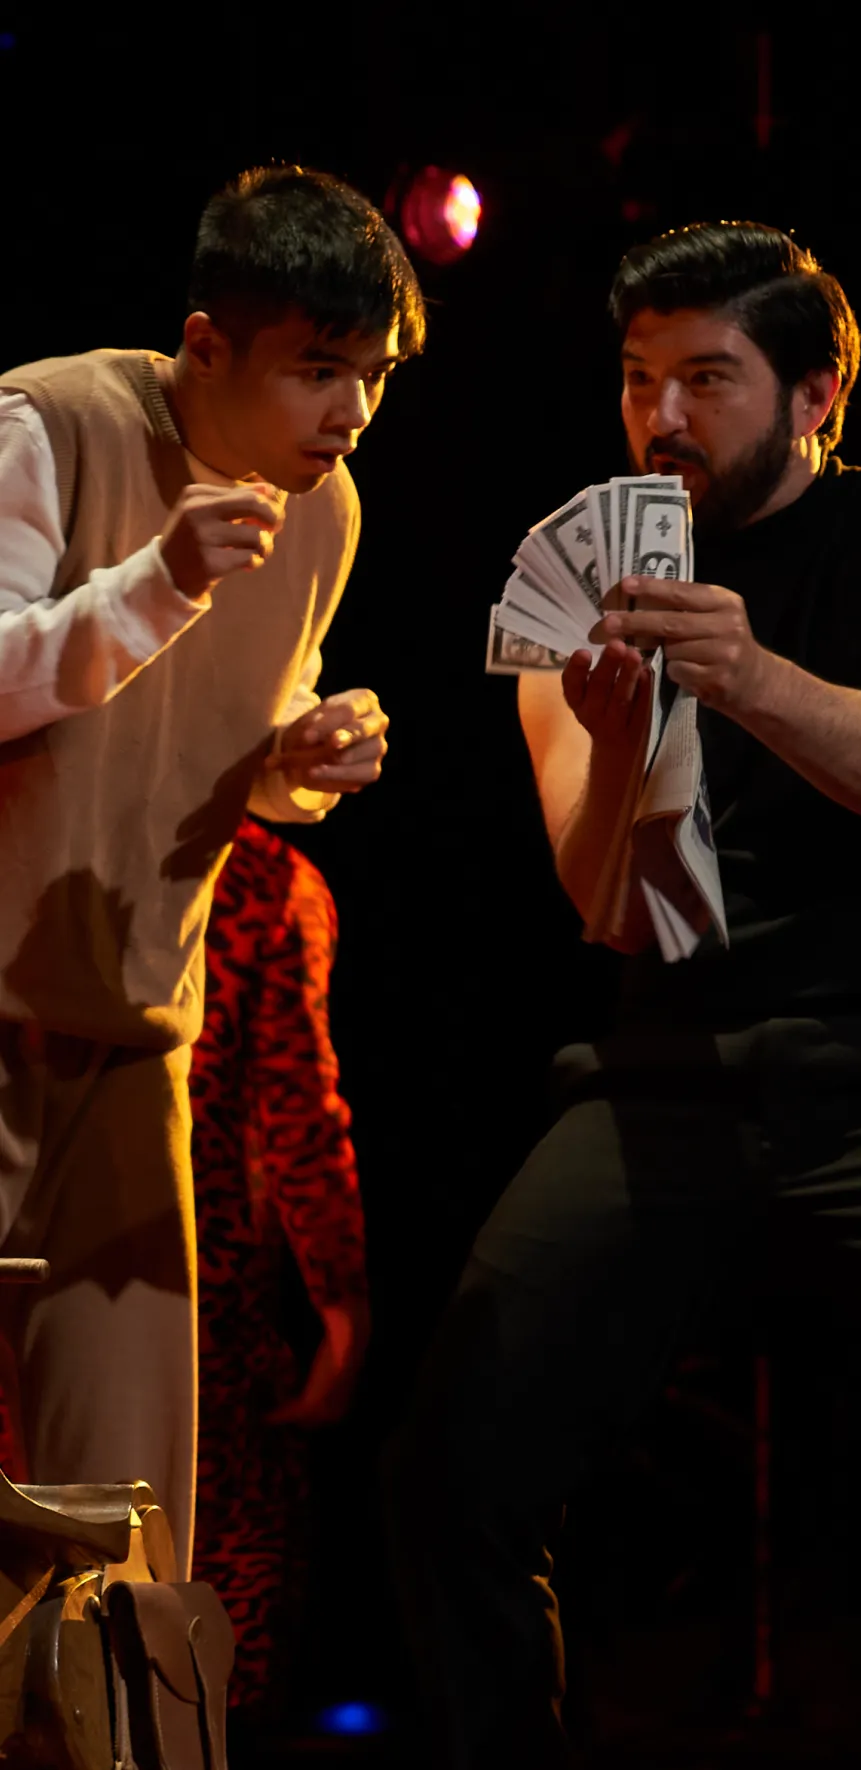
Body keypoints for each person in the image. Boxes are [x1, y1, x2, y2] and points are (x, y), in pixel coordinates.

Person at [386, 222, 861, 1767]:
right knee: (445, 1473)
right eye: (636, 382)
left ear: (814, 394)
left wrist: (746, 675)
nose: (660, 420)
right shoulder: (580, 576)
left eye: (706, 379)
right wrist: (617, 737)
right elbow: (605, 903)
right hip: (670, 1070)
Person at [0, 164, 424, 1576]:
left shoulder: (329, 510)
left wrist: (306, 753)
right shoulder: (50, 420)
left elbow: (221, 743)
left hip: (135, 1025)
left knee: (130, 1519)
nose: (349, 413)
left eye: (368, 376)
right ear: (204, 346)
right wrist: (157, 580)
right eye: (317, 370)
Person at [189, 814, 368, 1720]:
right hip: (193, 1281)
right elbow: (298, 1111)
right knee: (225, 1558)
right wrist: (341, 1301)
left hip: (26, 1256)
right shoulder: (257, 876)